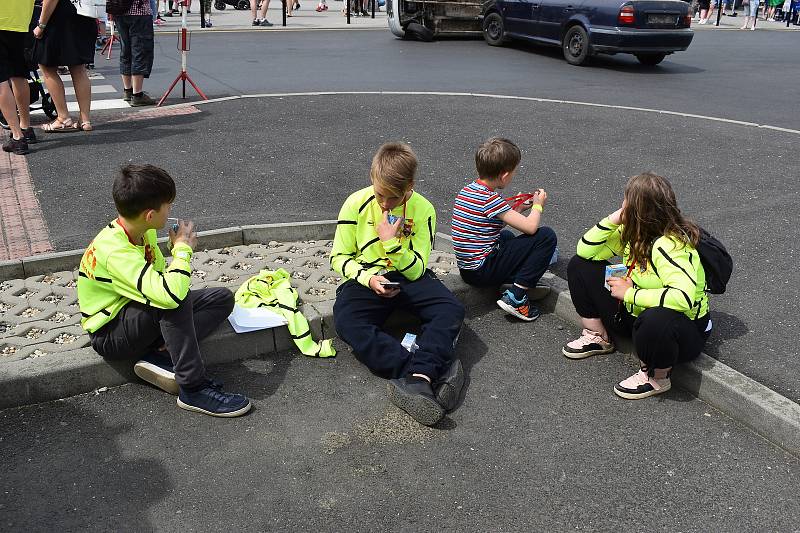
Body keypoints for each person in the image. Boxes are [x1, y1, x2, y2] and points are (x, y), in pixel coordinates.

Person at [78, 164, 251, 417]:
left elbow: (156, 279)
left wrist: (173, 252)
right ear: (150, 215)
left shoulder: (139, 231)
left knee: (221, 298)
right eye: (168, 206)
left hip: (135, 316)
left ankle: (161, 354)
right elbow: (169, 294)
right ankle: (193, 389)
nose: (171, 211)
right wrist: (182, 251)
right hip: (111, 334)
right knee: (174, 298)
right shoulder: (115, 250)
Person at [331, 142, 465, 427]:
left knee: (450, 308)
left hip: (408, 275)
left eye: (393, 198)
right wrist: (368, 278)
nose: (384, 204)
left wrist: (391, 243)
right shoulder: (355, 203)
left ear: (410, 186)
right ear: (372, 177)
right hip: (367, 277)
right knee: (346, 321)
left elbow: (417, 269)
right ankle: (422, 375)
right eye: (380, 194)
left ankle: (419, 380)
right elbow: (338, 258)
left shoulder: (424, 208)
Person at [563, 172, 711, 400]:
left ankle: (656, 377)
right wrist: (613, 219)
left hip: (682, 332)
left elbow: (683, 298)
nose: (622, 204)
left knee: (657, 318)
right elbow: (585, 251)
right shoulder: (633, 233)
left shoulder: (671, 245)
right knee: (580, 266)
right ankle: (598, 337)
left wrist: (632, 293)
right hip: (635, 316)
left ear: (639, 210)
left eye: (626, 201)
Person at [451, 138, 557, 322]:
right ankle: (517, 296)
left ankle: (513, 279)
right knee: (546, 237)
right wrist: (538, 206)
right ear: (505, 175)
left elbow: (488, 225)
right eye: (514, 172)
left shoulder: (467, 191)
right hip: (483, 271)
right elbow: (531, 228)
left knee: (506, 236)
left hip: (468, 270)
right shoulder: (490, 199)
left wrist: (517, 209)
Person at [33, 0, 96, 132]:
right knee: (79, 68)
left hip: (58, 18)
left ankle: (63, 118)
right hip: (83, 14)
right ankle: (85, 120)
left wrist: (41, 24)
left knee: (47, 67)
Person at [0, 0, 35, 154]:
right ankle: (25, 128)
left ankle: (17, 136)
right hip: (21, 20)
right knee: (19, 74)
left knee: (1, 81)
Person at [113, 0, 158, 106]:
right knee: (140, 52)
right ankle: (137, 94)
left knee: (125, 51)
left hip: (119, 11)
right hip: (139, 12)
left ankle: (127, 90)